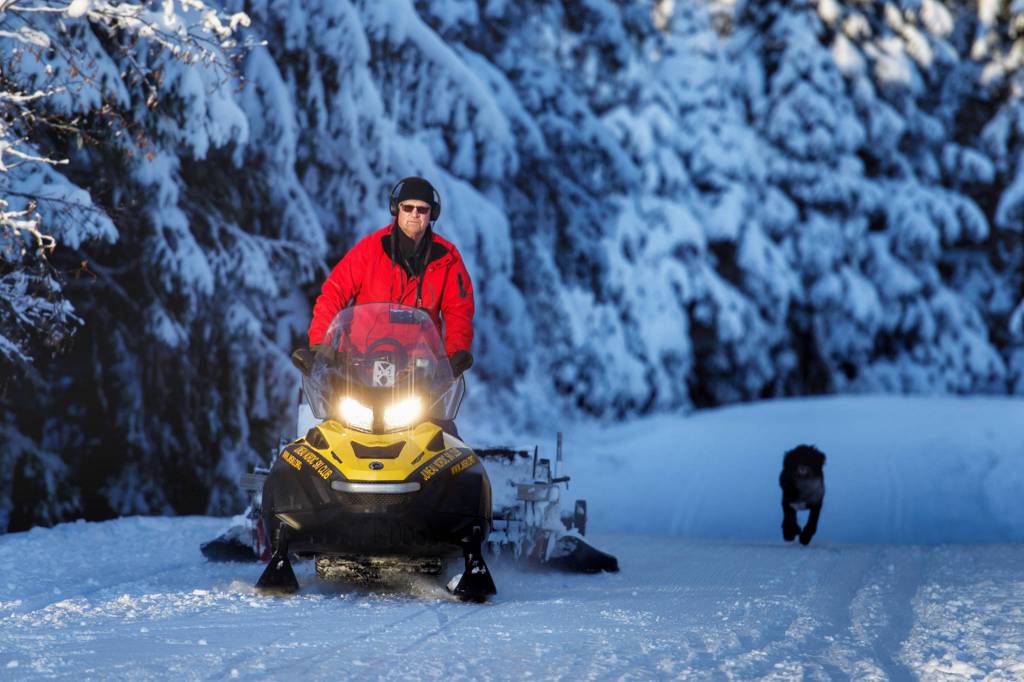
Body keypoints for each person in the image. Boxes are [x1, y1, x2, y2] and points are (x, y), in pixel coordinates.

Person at [307, 176, 475, 381]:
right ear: (397, 209)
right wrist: (321, 344)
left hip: (418, 374)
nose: (415, 214)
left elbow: (459, 310)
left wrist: (455, 355)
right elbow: (334, 292)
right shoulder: (369, 249)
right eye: (408, 207)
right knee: (332, 412)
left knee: (433, 413)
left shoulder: (447, 258)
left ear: (432, 214)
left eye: (422, 209)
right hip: (357, 366)